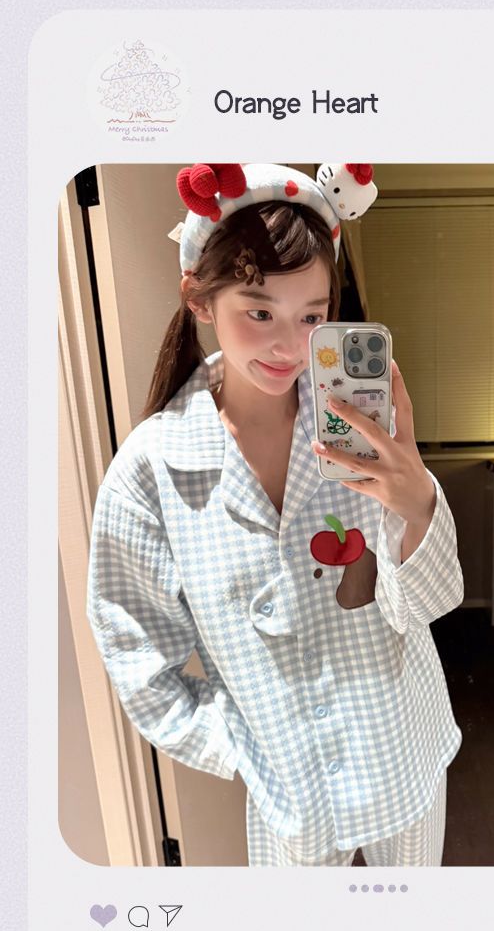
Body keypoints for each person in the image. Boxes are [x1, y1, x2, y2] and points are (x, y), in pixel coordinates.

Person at [87, 161, 463, 867]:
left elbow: (428, 604)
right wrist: (243, 744)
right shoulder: (152, 470)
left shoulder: (359, 426)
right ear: (200, 299)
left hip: (403, 758)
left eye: (311, 316)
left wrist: (416, 500)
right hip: (294, 803)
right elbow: (135, 654)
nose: (290, 346)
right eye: (260, 312)